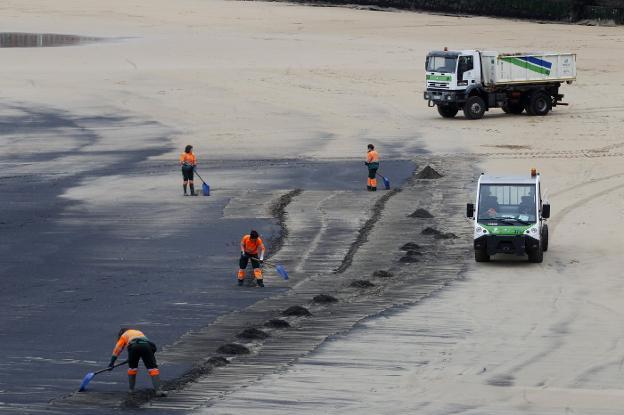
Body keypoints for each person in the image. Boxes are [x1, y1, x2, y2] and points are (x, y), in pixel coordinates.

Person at [108, 328, 167, 397]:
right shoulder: (138, 332)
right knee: (153, 369)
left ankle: (131, 390)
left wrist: (111, 363)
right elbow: (153, 347)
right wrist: (149, 357)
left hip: (134, 347)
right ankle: (158, 391)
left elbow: (117, 349)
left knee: (132, 369)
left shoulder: (124, 335)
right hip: (147, 346)